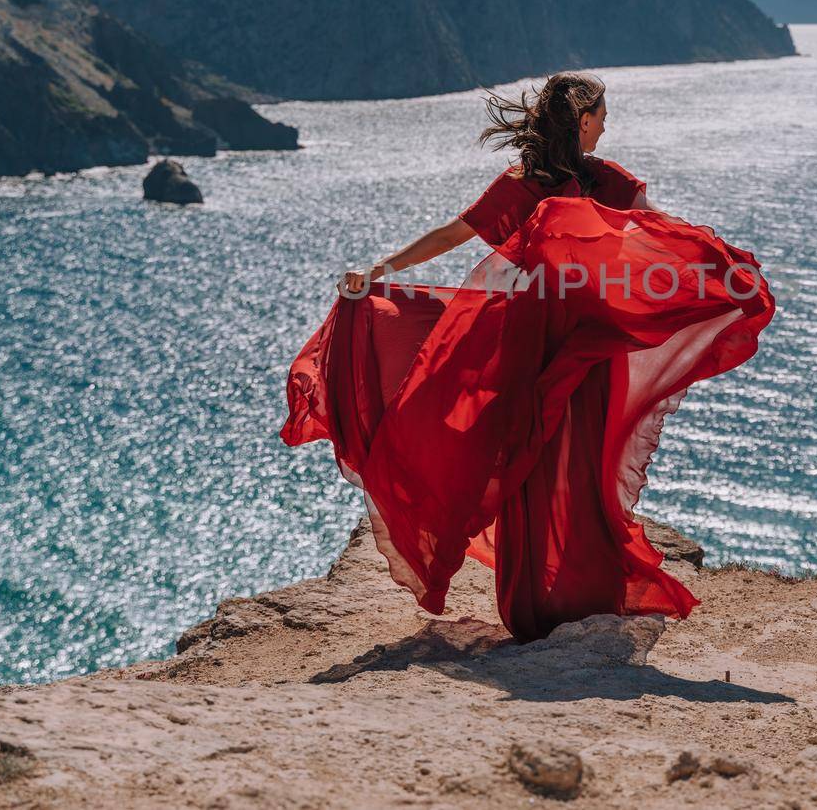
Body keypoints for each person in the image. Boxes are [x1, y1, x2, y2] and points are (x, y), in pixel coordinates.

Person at [280, 71, 774, 642]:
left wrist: (381, 269)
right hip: (569, 350)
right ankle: (562, 595)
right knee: (566, 468)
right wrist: (723, 273)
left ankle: (550, 596)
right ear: (583, 120)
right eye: (603, 116)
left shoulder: (547, 184)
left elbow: (455, 234)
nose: (608, 125)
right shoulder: (593, 184)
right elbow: (663, 237)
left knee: (542, 468)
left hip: (549, 350)